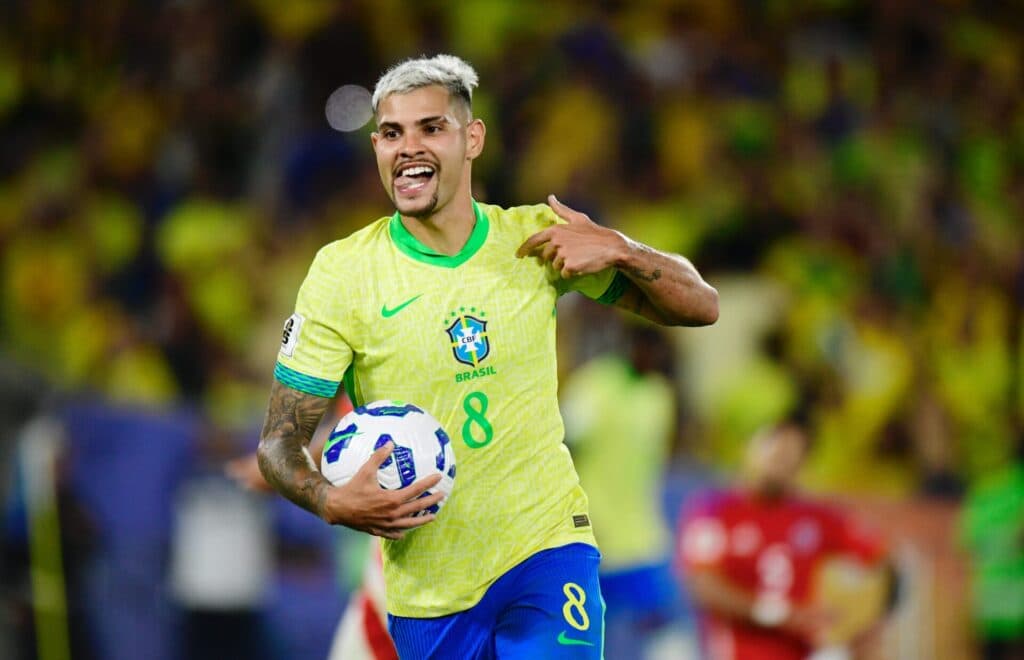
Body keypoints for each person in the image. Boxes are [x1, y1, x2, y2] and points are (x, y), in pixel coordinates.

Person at [256, 53, 719, 659]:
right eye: (392, 133)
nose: (409, 148)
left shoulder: (533, 241)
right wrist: (329, 499)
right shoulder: (344, 275)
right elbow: (277, 445)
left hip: (547, 551)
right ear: (376, 147)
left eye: (431, 128)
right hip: (429, 588)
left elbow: (700, 305)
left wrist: (622, 248)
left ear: (471, 138)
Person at [676, 421, 893, 660]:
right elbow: (703, 587)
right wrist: (780, 615)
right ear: (748, 449)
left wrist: (870, 621)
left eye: (792, 458)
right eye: (775, 453)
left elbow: (883, 559)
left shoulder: (817, 518)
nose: (781, 464)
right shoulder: (714, 509)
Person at [560, 320, 697, 659]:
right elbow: (562, 448)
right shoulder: (595, 384)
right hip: (594, 537)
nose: (653, 359)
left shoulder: (659, 395)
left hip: (643, 538)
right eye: (648, 350)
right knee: (585, 639)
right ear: (631, 347)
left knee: (667, 634)